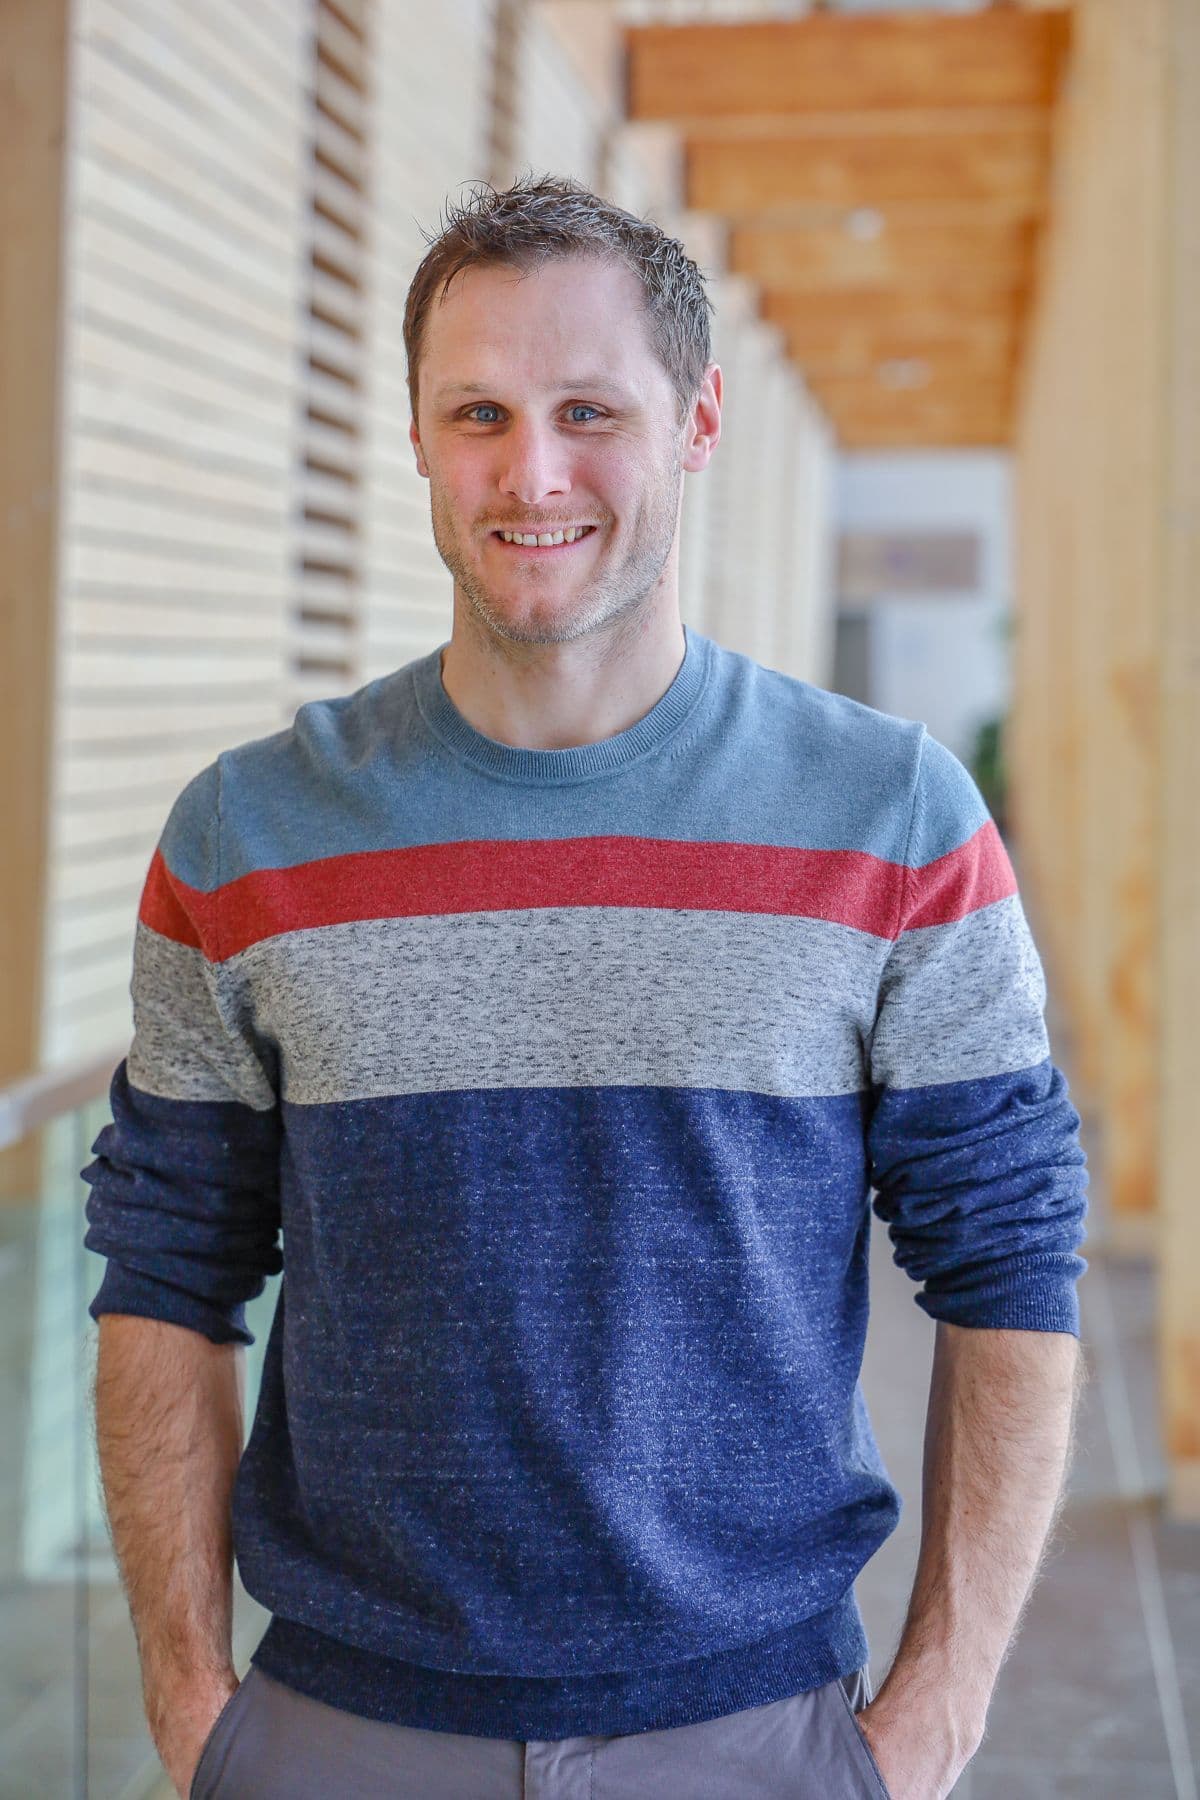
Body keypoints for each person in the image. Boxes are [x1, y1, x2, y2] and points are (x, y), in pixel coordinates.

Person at [83, 174, 1089, 1800]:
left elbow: (1013, 1257)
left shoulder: (892, 817)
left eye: (588, 411)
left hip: (756, 1733)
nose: (530, 471)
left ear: (697, 424)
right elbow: (166, 1268)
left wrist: (936, 1713)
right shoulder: (246, 834)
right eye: (476, 411)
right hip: (337, 1732)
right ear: (415, 434)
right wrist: (198, 1702)